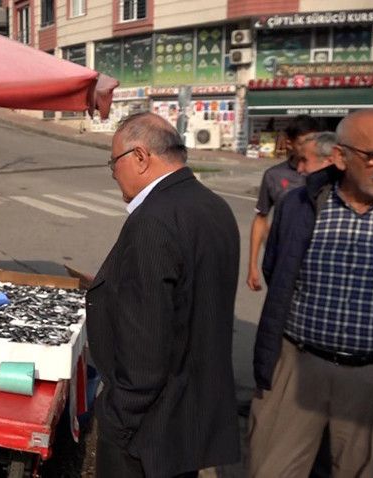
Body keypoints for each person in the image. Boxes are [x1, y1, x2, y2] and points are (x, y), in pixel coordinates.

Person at [248, 110, 373, 477]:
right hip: (296, 367)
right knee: (270, 469)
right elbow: (277, 270)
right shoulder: (299, 206)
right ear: (340, 157)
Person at [86, 113, 240, 477]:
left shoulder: (152, 221)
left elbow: (146, 346)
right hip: (190, 423)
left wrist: (117, 416)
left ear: (140, 157)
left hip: (148, 432)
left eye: (114, 163)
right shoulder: (214, 206)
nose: (113, 174)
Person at [246, 115, 322, 291]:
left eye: (315, 141)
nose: (311, 146)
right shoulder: (274, 176)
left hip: (317, 263)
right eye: (304, 142)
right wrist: (252, 266)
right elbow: (261, 218)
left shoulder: (329, 174)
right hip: (282, 260)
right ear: (289, 143)